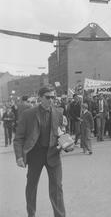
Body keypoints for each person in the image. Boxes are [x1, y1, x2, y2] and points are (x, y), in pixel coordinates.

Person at [13, 86, 66, 217]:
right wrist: (19, 156)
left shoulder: (59, 113)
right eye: (48, 97)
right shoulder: (28, 114)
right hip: (35, 154)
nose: (51, 100)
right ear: (40, 98)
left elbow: (60, 133)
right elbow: (18, 138)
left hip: (53, 154)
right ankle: (31, 214)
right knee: (31, 187)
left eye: (53, 97)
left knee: (57, 188)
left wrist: (66, 142)